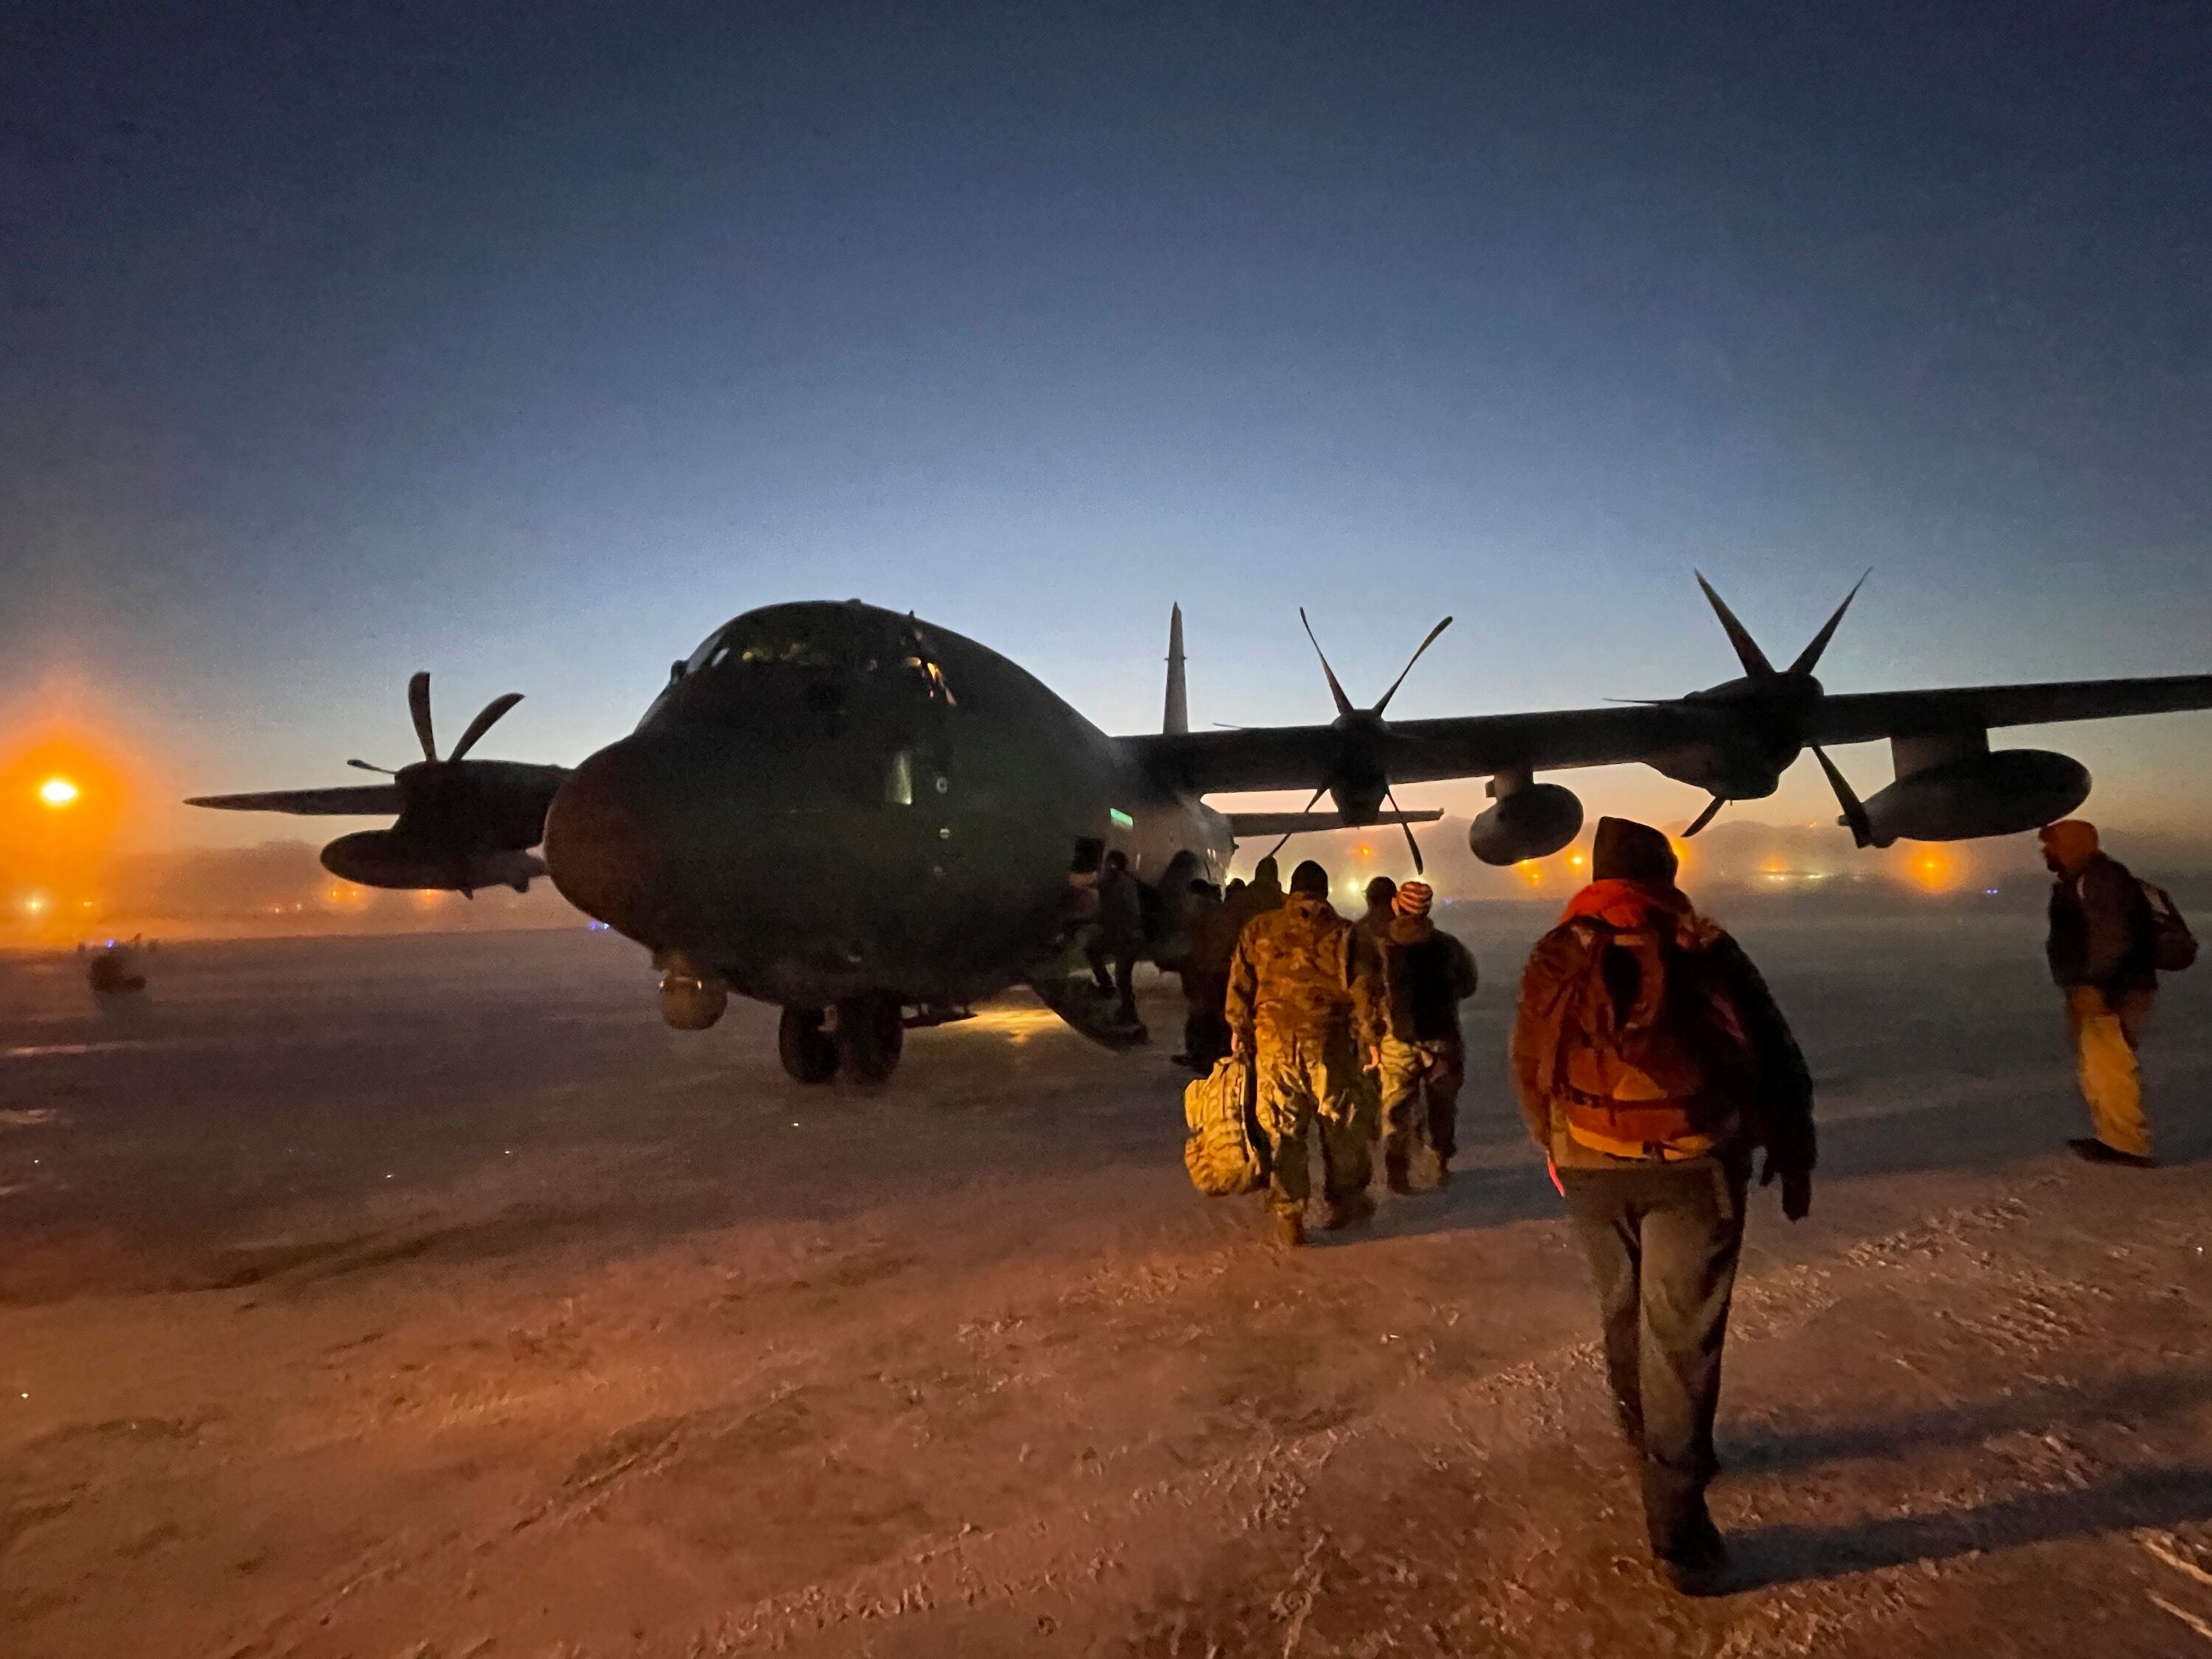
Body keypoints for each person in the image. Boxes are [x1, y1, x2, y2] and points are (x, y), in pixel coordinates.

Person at [1512, 817, 1814, 1595]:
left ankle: (1645, 1438)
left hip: (1587, 1161)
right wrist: (1786, 1143)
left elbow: (1529, 1056)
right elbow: (1772, 1051)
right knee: (1681, 1338)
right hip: (1693, 1164)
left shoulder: (1558, 949)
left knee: (1622, 1306)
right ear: (1663, 872)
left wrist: (1554, 1143)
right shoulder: (1702, 944)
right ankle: (1677, 1527)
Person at [1225, 859, 1383, 1248]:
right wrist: (1373, 1037)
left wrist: (1239, 1029)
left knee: (1283, 1130)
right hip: (1328, 1045)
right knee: (1341, 1126)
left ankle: (1289, 1215)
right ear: (1325, 891)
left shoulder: (1259, 929)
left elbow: (1240, 984)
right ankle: (1347, 1201)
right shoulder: (1346, 934)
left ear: (1291, 890)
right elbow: (1365, 990)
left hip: (1273, 1044)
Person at [2040, 819, 2161, 1166]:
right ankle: (2112, 1136)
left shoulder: (2101, 878)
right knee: (2098, 1065)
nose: (2047, 851)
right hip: (2096, 986)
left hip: (2111, 988)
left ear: (2074, 844)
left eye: (2053, 843)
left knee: (2111, 1065)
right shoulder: (2080, 879)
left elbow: (2113, 935)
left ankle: (2128, 1144)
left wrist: (2097, 983)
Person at [1372, 880, 1478, 1192]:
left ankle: (1397, 1170)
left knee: (1396, 1104)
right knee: (1442, 1103)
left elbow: (1370, 991)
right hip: (1442, 1037)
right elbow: (1468, 985)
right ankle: (1440, 1160)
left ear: (1397, 906)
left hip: (1398, 1039)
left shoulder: (1382, 946)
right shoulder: (1448, 946)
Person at [1175, 880, 1238, 1074]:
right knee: (1214, 1014)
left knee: (1201, 1015)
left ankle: (1201, 1056)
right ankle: (1214, 1055)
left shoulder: (1202, 913)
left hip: (1206, 970)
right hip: (1218, 970)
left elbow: (1193, 943)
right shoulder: (1221, 913)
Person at [1088, 849, 1146, 1029]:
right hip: (1119, 936)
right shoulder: (1114, 882)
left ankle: (1128, 1013)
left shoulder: (1123, 884)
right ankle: (1109, 990)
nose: (1103, 867)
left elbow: (1128, 911)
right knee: (1093, 950)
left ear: (1113, 865)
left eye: (1106, 864)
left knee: (1123, 977)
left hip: (1127, 938)